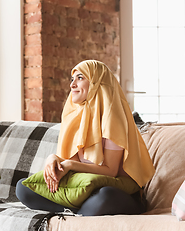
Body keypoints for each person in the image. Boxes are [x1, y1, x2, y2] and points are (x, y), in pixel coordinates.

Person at [16, 60, 155, 216]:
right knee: (23, 187)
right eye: (72, 79)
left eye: (80, 78)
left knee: (105, 195)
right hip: (86, 189)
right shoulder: (76, 116)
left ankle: (76, 211)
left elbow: (110, 171)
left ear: (97, 82)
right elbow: (74, 162)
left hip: (117, 191)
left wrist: (68, 164)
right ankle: (80, 212)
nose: (72, 85)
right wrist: (53, 158)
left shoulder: (113, 117)